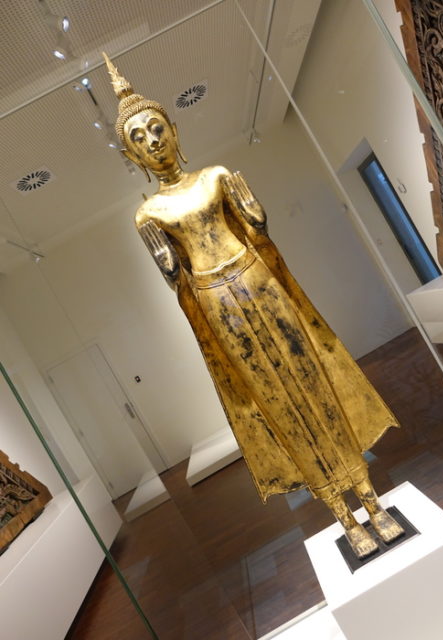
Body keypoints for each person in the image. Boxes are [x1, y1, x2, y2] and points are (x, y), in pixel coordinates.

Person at [103, 53, 404, 559]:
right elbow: (178, 280)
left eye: (156, 129)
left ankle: (372, 501)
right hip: (216, 304)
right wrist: (169, 268)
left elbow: (257, 235)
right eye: (139, 138)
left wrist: (257, 222)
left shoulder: (216, 177)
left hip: (258, 281)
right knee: (277, 402)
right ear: (130, 154)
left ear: (174, 130)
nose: (152, 141)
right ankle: (343, 515)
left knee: (313, 381)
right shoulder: (148, 213)